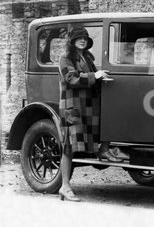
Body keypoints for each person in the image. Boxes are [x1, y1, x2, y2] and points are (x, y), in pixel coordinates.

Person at [58, 26, 123, 202]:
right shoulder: (65, 59)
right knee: (69, 146)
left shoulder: (87, 57)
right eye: (79, 38)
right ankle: (65, 186)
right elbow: (71, 79)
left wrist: (102, 77)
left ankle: (104, 150)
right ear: (72, 41)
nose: (82, 41)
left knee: (107, 122)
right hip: (74, 108)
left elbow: (93, 77)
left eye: (85, 39)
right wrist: (95, 75)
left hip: (87, 107)